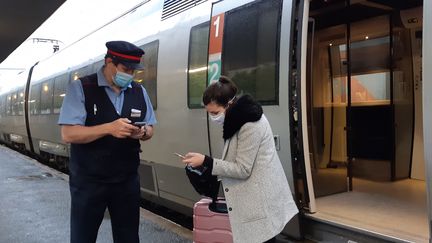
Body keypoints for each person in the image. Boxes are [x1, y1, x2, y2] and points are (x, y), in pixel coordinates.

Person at [58, 40, 156, 243]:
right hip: (89, 182)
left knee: (128, 237)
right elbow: (68, 134)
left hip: (126, 181)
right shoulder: (81, 88)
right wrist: (109, 128)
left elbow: (150, 129)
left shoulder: (139, 91)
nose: (129, 75)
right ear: (108, 61)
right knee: (83, 237)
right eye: (125, 69)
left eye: (133, 71)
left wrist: (143, 132)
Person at [182, 76, 298, 243]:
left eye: (215, 112)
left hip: (260, 202)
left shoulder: (250, 124)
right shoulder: (237, 119)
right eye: (209, 113)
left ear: (229, 104)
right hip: (253, 201)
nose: (213, 117)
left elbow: (243, 169)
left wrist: (206, 161)